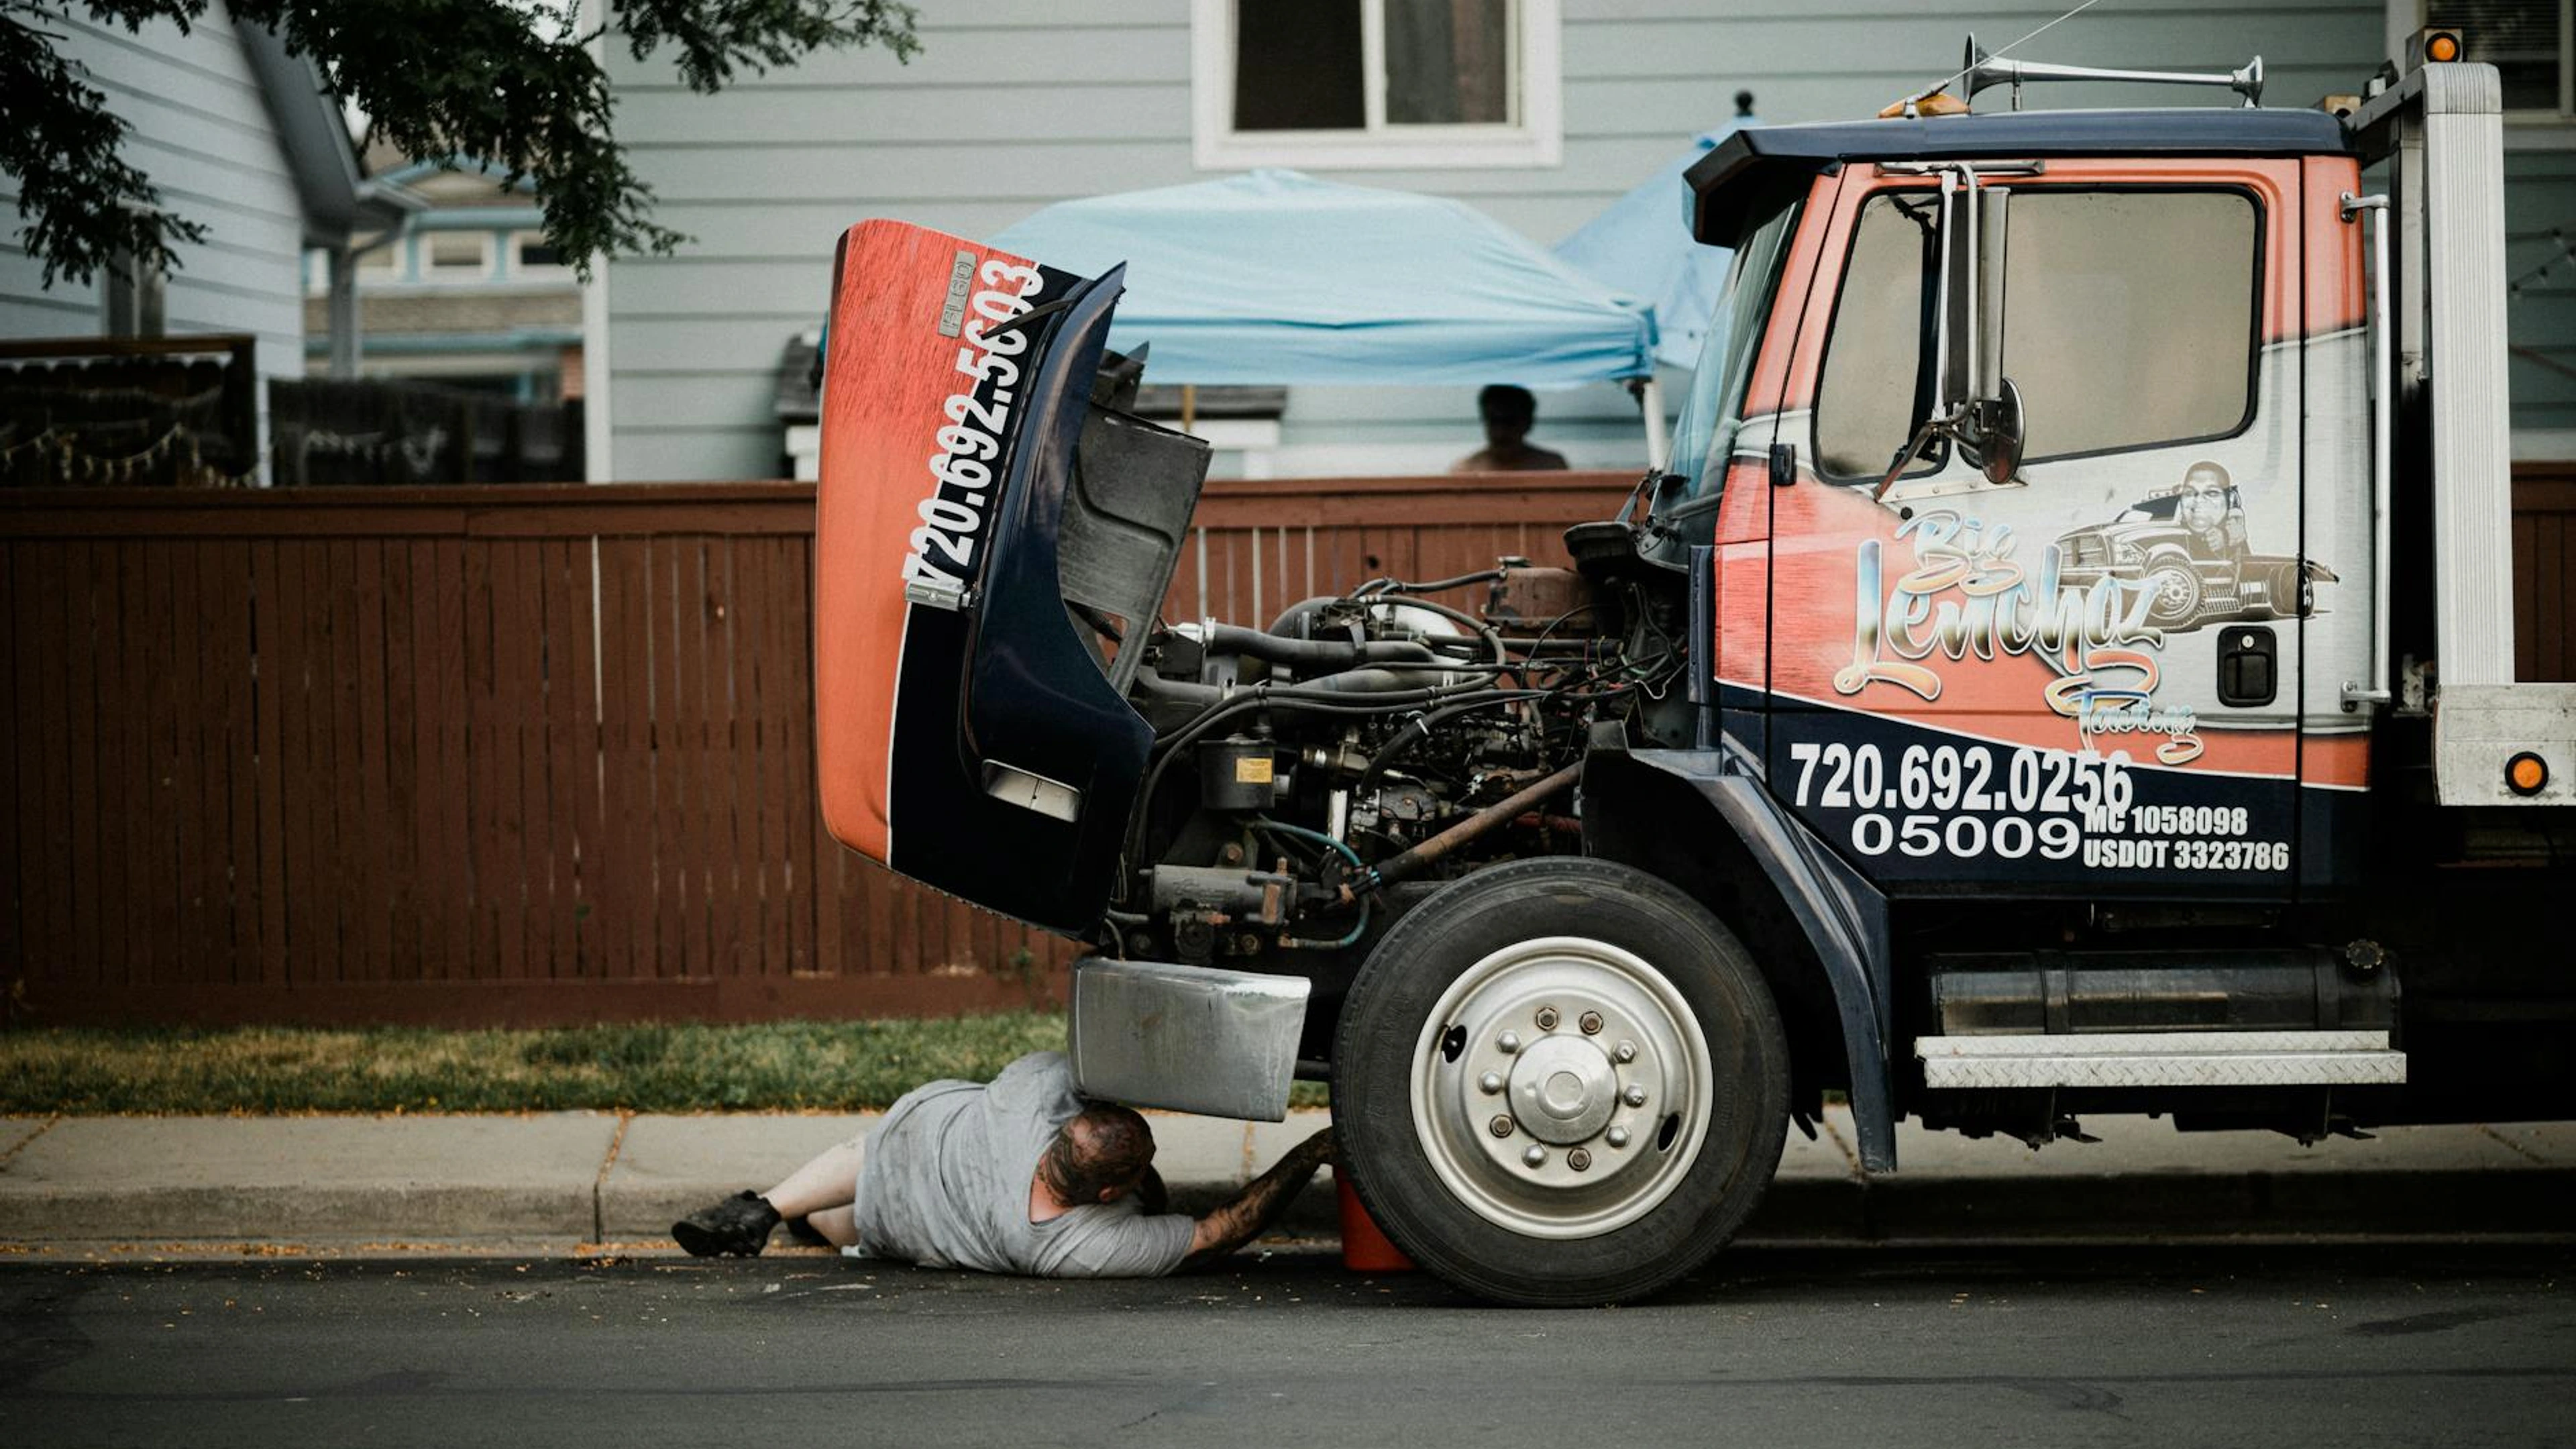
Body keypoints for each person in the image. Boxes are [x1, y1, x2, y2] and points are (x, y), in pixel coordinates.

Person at [671, 1050, 1335, 1278]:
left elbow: (1090, 1060)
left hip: (910, 1136)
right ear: (1108, 1193)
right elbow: (1223, 1229)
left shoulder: (1031, 1097)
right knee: (853, 1224)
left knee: (865, 1157)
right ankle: (805, 1224)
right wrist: (1312, 1151)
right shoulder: (1071, 1247)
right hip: (896, 1222)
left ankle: (767, 1208)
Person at [1451, 384, 1570, 472]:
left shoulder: (1551, 467)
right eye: (1494, 421)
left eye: (1510, 422)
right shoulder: (1466, 470)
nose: (1501, 432)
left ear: (1528, 423)